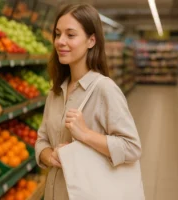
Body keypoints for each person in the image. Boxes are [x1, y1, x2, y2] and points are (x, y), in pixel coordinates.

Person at [35, 3, 142, 200]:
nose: (60, 41)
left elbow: (132, 148)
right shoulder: (56, 92)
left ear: (91, 40)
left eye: (70, 35)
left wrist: (86, 134)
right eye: (57, 34)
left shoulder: (104, 89)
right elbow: (41, 140)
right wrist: (50, 156)